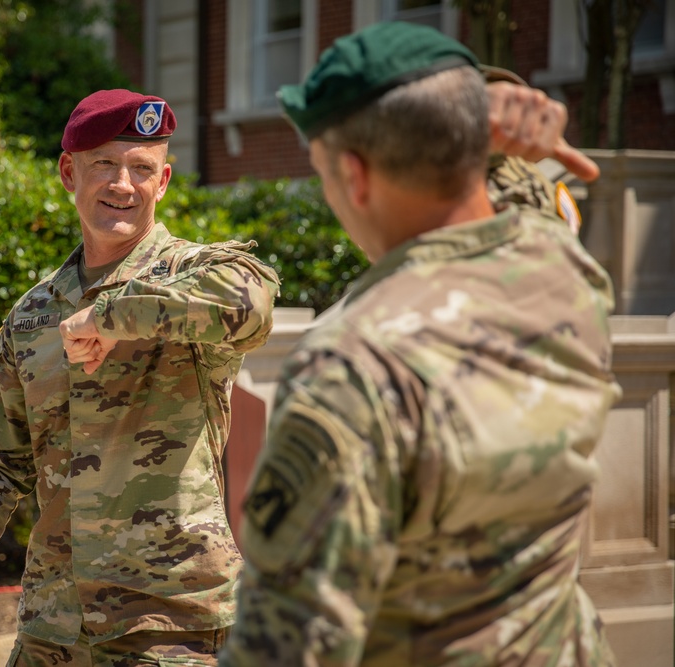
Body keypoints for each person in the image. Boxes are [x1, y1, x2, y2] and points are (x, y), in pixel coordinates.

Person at [219, 21, 620, 667]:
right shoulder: (567, 272)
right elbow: (523, 200)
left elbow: (289, 648)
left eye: (322, 173)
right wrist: (468, 112)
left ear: (353, 176)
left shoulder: (354, 367)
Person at [0, 88, 281, 666]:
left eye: (143, 169)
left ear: (163, 183)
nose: (123, 185)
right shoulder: (33, 316)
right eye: (105, 165)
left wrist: (118, 316)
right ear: (69, 172)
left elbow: (252, 304)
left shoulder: (193, 273)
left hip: (171, 627)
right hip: (53, 632)